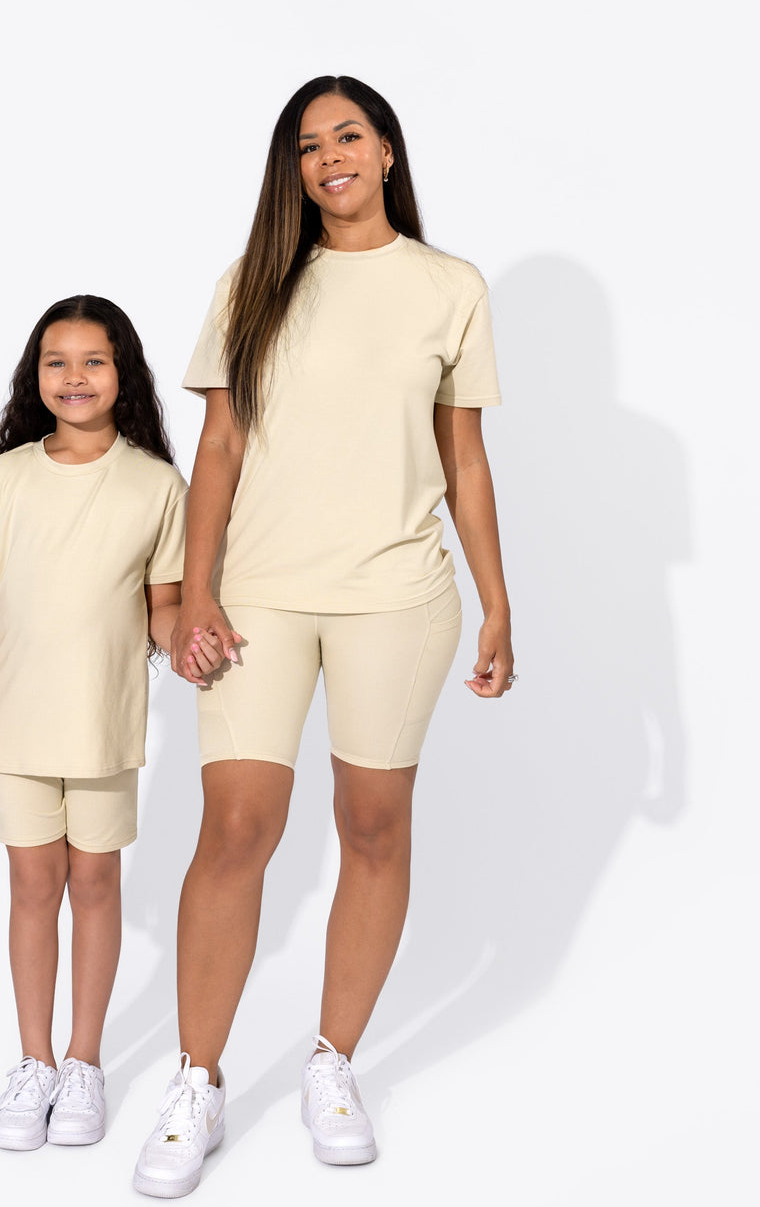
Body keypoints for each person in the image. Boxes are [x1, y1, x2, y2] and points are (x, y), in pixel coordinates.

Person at [133, 76, 516, 1197]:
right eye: (308, 145)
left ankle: (331, 1062)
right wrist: (196, 592)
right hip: (257, 595)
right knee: (236, 825)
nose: (329, 157)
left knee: (373, 824)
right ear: (293, 170)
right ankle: (196, 1081)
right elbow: (216, 450)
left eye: (349, 135)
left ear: (387, 150)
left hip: (397, 594)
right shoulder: (255, 281)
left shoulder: (448, 286)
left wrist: (497, 599)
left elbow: (464, 458)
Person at [0, 295, 222, 1154]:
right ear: (36, 376)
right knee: (32, 887)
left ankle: (85, 1061)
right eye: (56, 361)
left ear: (123, 372)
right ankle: (35, 1062)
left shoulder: (155, 485)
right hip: (19, 724)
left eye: (94, 360)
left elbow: (162, 606)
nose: (75, 377)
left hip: (103, 724)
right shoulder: (6, 479)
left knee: (94, 885)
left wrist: (190, 642)